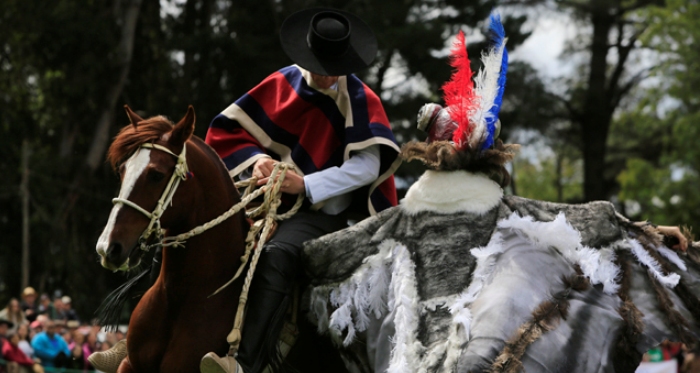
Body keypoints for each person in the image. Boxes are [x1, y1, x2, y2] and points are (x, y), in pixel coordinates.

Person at [197, 7, 400, 373]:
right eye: (319, 65)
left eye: (333, 67)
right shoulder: (280, 83)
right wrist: (258, 158)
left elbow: (369, 166)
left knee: (277, 254)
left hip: (323, 214)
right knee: (191, 229)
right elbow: (229, 131)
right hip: (261, 201)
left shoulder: (360, 99)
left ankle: (243, 363)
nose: (325, 75)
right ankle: (140, 341)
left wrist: (305, 184)